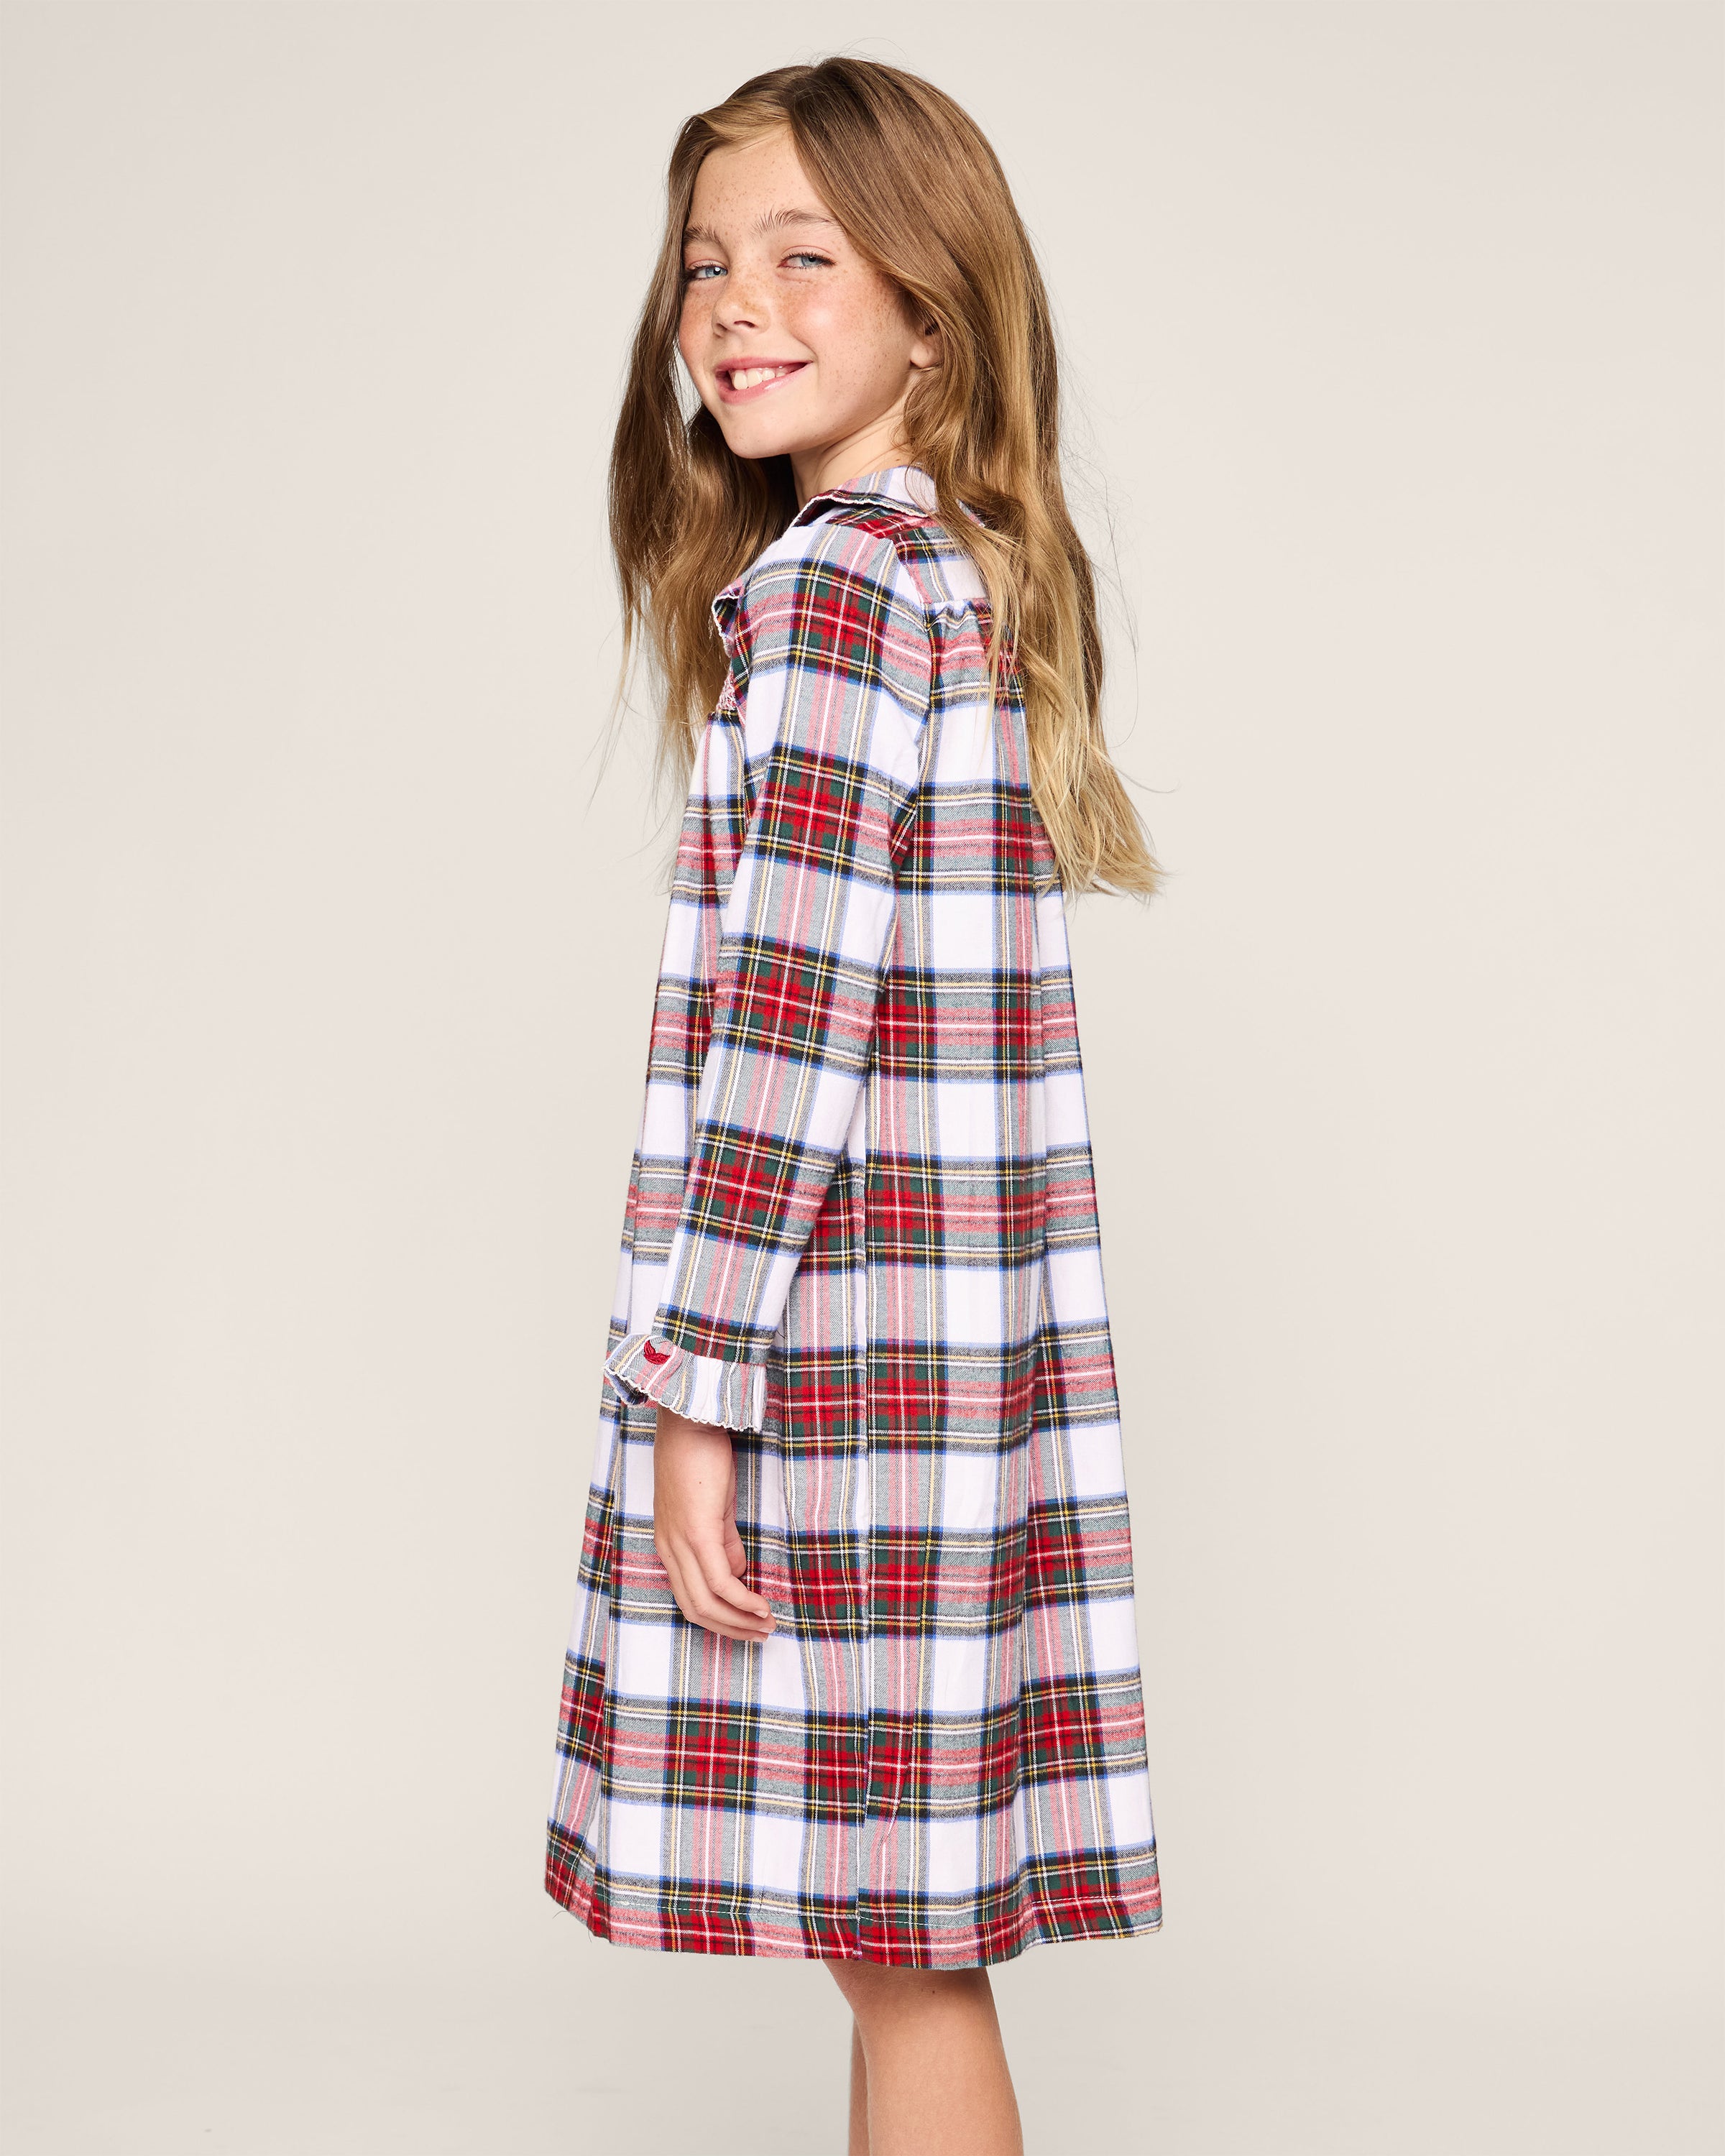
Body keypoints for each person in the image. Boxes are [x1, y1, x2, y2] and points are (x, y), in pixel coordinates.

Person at [546, 55, 1165, 2156]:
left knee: (904, 1959)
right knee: (900, 1935)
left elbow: (789, 1034)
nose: (737, 302)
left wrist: (696, 1389)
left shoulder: (824, 605)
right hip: (952, 1374)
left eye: (806, 254)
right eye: (709, 262)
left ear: (932, 304)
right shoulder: (949, 582)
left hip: (842, 1383)